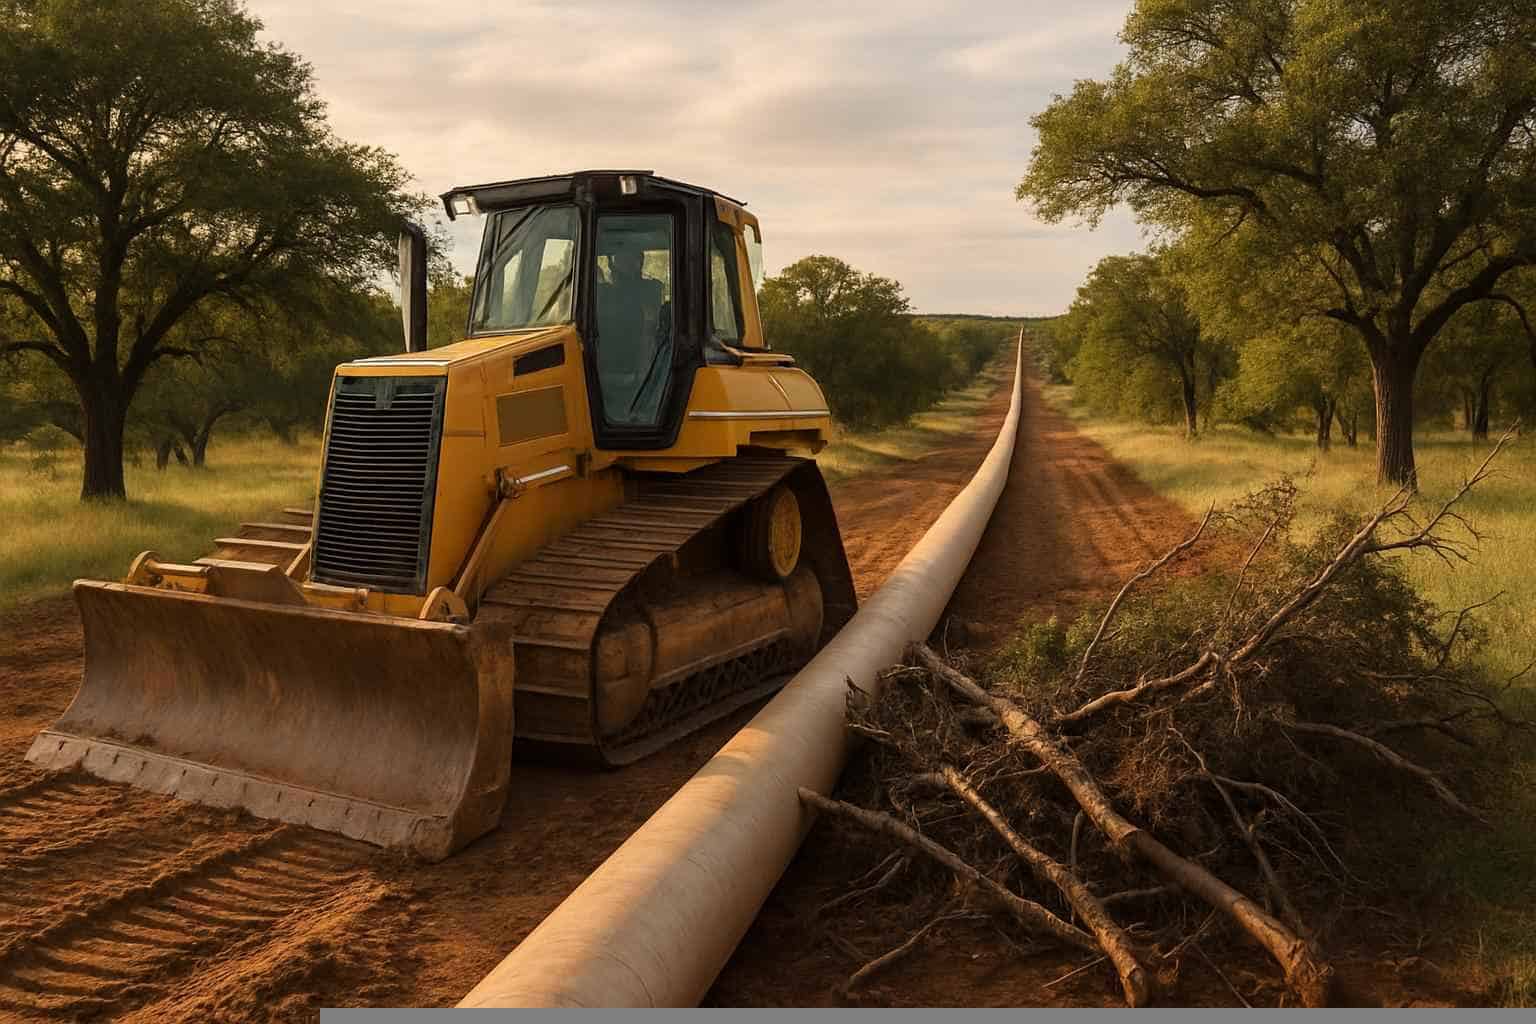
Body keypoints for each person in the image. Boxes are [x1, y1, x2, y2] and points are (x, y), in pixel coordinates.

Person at [596, 243, 670, 422]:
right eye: (619, 260)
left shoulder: (648, 292)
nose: (619, 267)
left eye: (629, 260)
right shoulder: (602, 294)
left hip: (640, 376)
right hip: (603, 371)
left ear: (639, 263)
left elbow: (649, 333)